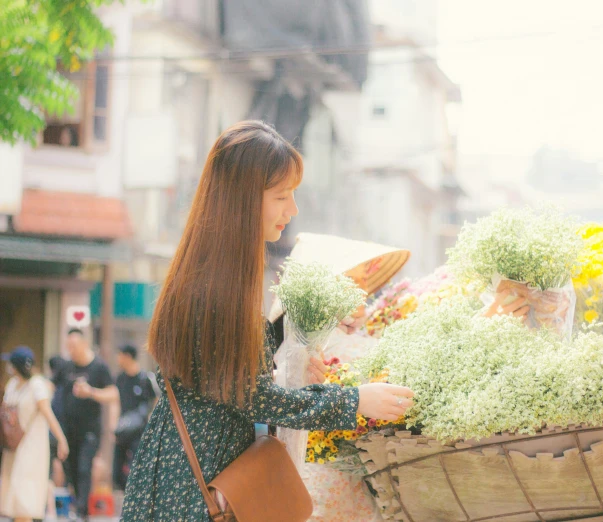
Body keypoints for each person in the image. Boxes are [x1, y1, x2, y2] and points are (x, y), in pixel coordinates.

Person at [121, 120, 414, 520]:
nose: (291, 211)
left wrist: (318, 323)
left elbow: (235, 367)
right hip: (196, 489)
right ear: (242, 200)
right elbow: (255, 396)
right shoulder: (216, 288)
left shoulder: (213, 274)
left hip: (191, 477)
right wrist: (357, 400)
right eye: (281, 196)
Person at [0, 346, 69, 522]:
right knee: (14, 499)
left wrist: (61, 439)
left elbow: (48, 414)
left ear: (17, 366)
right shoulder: (12, 384)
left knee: (24, 498)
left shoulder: (37, 384)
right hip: (13, 445)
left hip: (32, 447)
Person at [61, 329, 118, 520]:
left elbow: (112, 394)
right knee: (71, 468)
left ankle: (81, 510)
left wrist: (91, 392)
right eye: (68, 346)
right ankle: (78, 504)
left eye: (74, 346)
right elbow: (55, 387)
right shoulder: (67, 367)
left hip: (90, 430)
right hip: (69, 429)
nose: (71, 350)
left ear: (85, 344)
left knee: (85, 468)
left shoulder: (99, 367)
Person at [113, 345, 158, 492]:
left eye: (119, 355)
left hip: (140, 431)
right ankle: (128, 494)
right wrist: (114, 426)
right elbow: (117, 401)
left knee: (136, 468)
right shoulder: (120, 379)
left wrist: (152, 421)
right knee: (116, 472)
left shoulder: (145, 378)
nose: (117, 359)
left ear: (127, 356)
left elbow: (157, 399)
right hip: (123, 429)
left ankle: (133, 499)